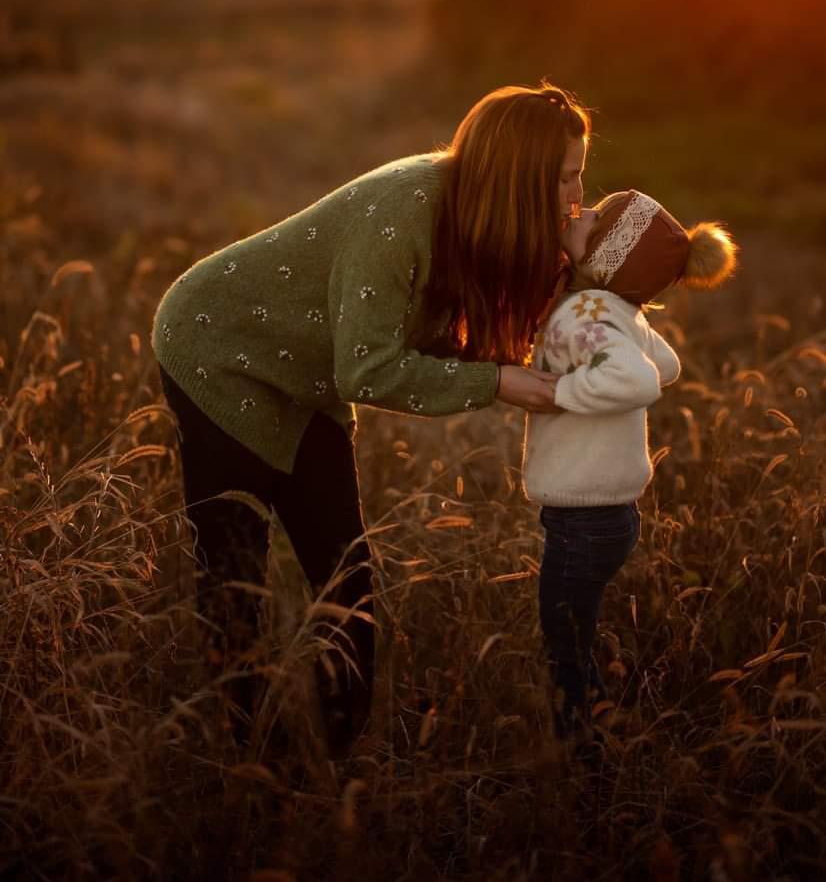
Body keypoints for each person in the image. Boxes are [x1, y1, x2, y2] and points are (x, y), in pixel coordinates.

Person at [151, 81, 590, 758]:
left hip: (304, 376)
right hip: (215, 352)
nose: (576, 196)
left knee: (346, 576)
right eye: (566, 178)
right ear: (518, 179)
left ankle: (337, 766)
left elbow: (425, 334)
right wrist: (496, 382)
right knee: (236, 578)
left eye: (579, 177)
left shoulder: (477, 213)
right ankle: (252, 773)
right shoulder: (407, 211)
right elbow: (367, 368)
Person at [522, 189, 738, 748]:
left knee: (564, 648)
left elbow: (640, 380)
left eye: (596, 215)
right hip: (613, 515)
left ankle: (583, 753)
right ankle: (603, 724)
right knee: (578, 634)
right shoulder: (614, 309)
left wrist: (561, 390)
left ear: (605, 258)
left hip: (581, 519)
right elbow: (664, 364)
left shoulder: (582, 312)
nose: (582, 211)